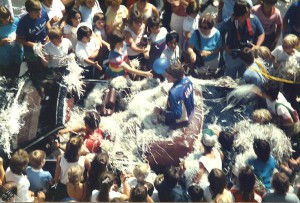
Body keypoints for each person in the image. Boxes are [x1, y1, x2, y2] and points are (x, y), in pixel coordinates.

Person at [218, 0, 265, 79]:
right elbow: (218, 35)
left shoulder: (254, 19)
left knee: (245, 76)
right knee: (229, 78)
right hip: (233, 56)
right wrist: (226, 47)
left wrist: (257, 46)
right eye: (248, 11)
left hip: (248, 56)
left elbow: (261, 33)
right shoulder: (228, 22)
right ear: (240, 15)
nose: (250, 12)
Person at [16, 0, 51, 77]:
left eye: (40, 11)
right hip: (31, 52)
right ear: (29, 12)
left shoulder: (43, 12)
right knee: (35, 71)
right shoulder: (23, 22)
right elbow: (18, 39)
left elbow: (47, 24)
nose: (40, 15)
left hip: (45, 45)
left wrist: (49, 34)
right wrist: (33, 44)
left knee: (46, 67)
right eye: (37, 13)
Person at [154, 62, 194, 126]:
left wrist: (161, 112)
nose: (165, 76)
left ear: (175, 77)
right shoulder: (188, 80)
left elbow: (177, 115)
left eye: (168, 76)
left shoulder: (174, 94)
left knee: (155, 118)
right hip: (190, 114)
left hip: (180, 121)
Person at [54, 136, 91, 201]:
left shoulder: (60, 158)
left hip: (63, 187)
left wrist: (56, 182)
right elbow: (90, 171)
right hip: (77, 187)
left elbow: (57, 174)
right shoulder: (84, 160)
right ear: (79, 149)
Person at [0, 5, 23, 78]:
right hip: (5, 59)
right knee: (6, 76)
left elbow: (23, 33)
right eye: (4, 19)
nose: (7, 20)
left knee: (17, 74)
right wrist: (2, 41)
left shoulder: (16, 21)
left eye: (8, 17)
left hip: (18, 54)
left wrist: (19, 37)